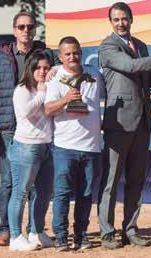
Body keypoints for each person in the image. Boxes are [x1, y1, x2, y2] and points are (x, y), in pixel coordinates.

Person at [97, 2, 151, 249]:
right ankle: (106, 233)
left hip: (142, 123)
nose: (120, 23)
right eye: (116, 19)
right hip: (119, 124)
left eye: (124, 18)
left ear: (131, 19)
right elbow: (130, 66)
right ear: (111, 22)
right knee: (111, 182)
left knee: (136, 181)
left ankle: (130, 230)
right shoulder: (108, 46)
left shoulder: (141, 46)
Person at [0, 11, 51, 246]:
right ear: (14, 30)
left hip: (37, 131)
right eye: (21, 27)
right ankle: (7, 230)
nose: (26, 30)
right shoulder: (2, 57)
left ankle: (34, 230)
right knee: (10, 184)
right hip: (9, 129)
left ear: (35, 29)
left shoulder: (44, 55)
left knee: (36, 187)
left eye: (30, 27)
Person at [44, 36, 105, 252]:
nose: (72, 57)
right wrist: (65, 99)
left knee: (86, 195)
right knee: (61, 193)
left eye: (76, 52)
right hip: (64, 147)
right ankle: (61, 236)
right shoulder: (55, 78)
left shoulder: (95, 74)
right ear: (60, 57)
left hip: (91, 147)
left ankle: (81, 235)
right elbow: (48, 109)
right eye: (67, 54)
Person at [7, 50, 55, 251]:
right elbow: (26, 112)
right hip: (26, 148)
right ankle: (16, 237)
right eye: (38, 68)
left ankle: (36, 231)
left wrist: (54, 73)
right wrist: (43, 93)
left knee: (43, 193)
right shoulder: (22, 89)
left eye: (46, 68)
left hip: (46, 146)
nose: (42, 71)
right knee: (21, 192)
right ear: (31, 68)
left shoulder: (48, 85)